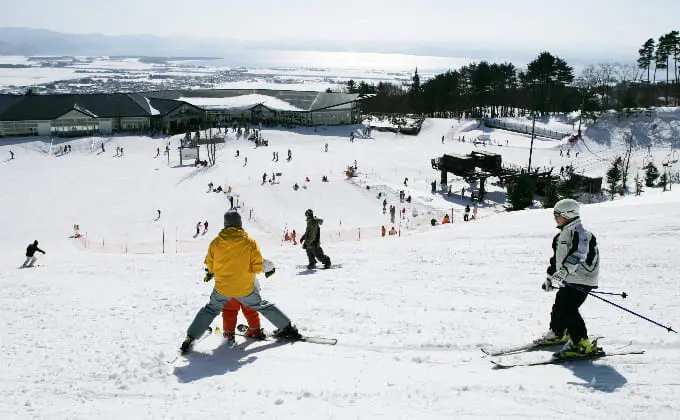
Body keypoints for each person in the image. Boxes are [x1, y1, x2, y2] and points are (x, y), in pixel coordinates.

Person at [180, 210, 301, 354]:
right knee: (261, 305)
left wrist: (214, 272)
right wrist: (267, 269)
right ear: (240, 224)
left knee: (211, 309)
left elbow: (210, 266)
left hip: (222, 289)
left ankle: (190, 337)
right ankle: (287, 328)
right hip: (245, 288)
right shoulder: (250, 242)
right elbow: (257, 267)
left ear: (225, 224)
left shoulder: (215, 243)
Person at [538, 199, 600, 358]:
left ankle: (582, 343)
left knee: (568, 309)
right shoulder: (560, 237)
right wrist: (550, 278)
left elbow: (579, 254)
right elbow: (555, 261)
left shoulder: (582, 233)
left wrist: (564, 271)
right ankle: (559, 333)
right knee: (560, 306)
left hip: (582, 278)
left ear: (567, 214)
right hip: (569, 279)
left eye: (557, 215)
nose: (555, 218)